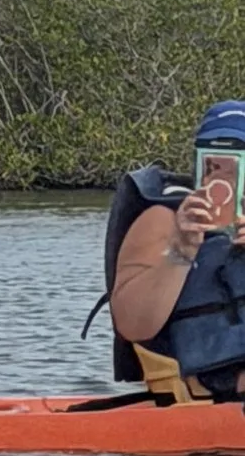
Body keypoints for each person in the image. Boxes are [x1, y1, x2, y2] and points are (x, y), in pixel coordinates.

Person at [101, 100, 245, 400]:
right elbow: (132, 325)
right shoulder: (164, 219)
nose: (227, 178)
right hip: (197, 398)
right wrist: (181, 249)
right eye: (216, 164)